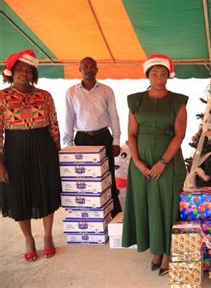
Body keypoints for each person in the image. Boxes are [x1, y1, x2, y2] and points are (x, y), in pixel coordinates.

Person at [122, 53, 187, 275]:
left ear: (169, 76)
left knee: (167, 206)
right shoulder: (135, 100)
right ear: (148, 75)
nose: (159, 78)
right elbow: (131, 133)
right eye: (154, 73)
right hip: (141, 162)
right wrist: (137, 162)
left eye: (163, 74)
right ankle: (156, 250)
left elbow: (179, 135)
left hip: (168, 161)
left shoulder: (178, 101)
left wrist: (162, 162)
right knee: (146, 204)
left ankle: (168, 252)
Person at [0, 49, 61, 261]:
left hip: (44, 147)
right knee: (19, 195)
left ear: (33, 73)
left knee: (45, 190)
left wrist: (57, 151)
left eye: (28, 70)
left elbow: (53, 124)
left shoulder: (45, 95)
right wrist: (0, 164)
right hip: (15, 150)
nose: (23, 73)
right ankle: (28, 239)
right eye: (19, 69)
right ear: (10, 72)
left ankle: (47, 236)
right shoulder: (2, 97)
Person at [63, 57, 122, 217]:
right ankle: (90, 214)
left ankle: (114, 212)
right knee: (84, 178)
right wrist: (68, 144)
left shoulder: (106, 90)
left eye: (92, 66)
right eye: (85, 67)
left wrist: (116, 140)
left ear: (97, 69)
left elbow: (114, 116)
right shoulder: (71, 92)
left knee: (107, 175)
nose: (88, 69)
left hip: (104, 136)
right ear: (80, 69)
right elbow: (68, 118)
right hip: (82, 139)